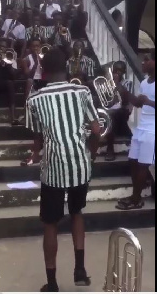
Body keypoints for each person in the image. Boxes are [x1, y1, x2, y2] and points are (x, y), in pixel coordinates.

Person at [24, 48, 100, 292]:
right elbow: (96, 130)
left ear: (43, 72)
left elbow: (37, 136)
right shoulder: (82, 91)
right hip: (80, 164)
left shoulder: (34, 99)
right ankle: (80, 270)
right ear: (66, 69)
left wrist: (35, 154)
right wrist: (92, 154)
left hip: (53, 168)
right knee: (77, 213)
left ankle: (53, 282)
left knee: (50, 223)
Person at [116, 51, 155, 210]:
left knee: (143, 165)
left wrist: (150, 102)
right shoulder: (145, 82)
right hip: (141, 127)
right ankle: (135, 196)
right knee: (133, 161)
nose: (143, 63)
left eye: (146, 60)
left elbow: (146, 102)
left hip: (152, 129)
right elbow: (139, 103)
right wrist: (124, 92)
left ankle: (136, 198)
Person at [105, 61, 133, 161]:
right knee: (109, 114)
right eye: (115, 70)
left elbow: (125, 100)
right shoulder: (107, 83)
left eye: (120, 71)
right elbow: (106, 100)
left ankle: (110, 148)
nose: (117, 73)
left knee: (111, 115)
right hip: (111, 111)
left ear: (124, 72)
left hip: (123, 110)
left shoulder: (127, 83)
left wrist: (116, 83)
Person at [21, 37, 46, 104]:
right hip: (32, 80)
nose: (35, 48)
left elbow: (46, 71)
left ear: (40, 47)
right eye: (33, 46)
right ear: (30, 47)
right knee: (30, 81)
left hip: (43, 79)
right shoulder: (26, 59)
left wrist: (41, 60)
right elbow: (27, 74)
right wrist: (35, 63)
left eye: (37, 46)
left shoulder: (44, 57)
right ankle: (27, 105)